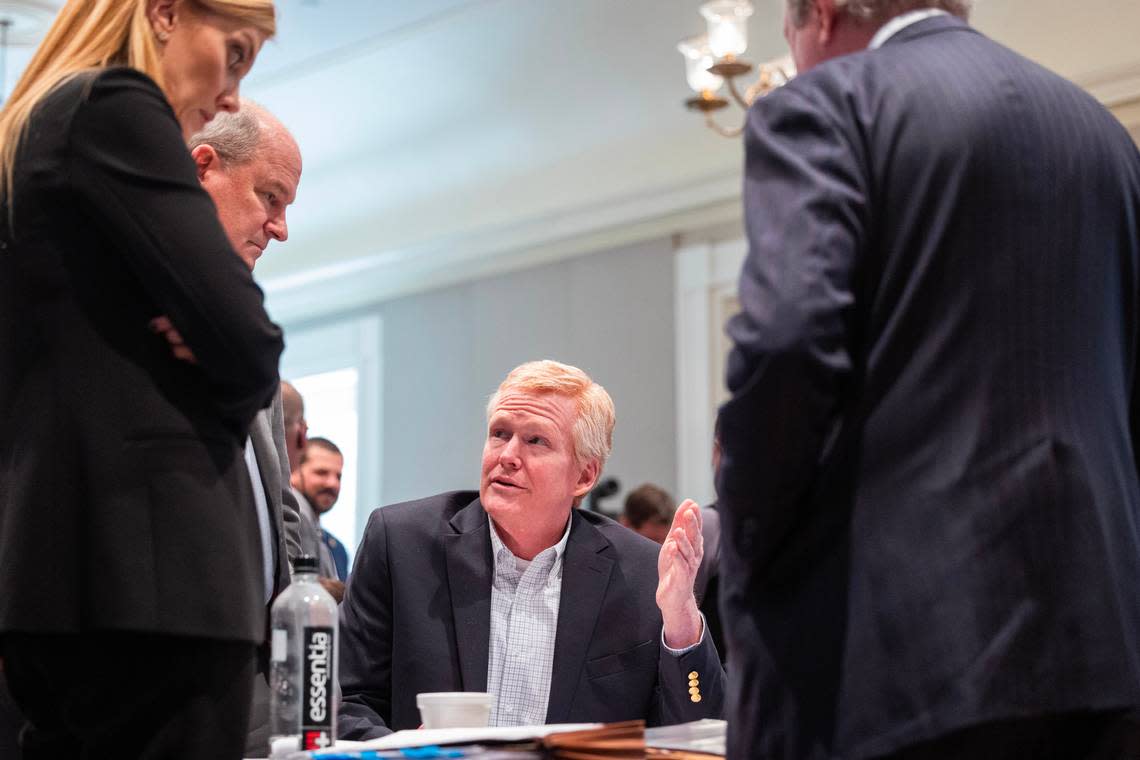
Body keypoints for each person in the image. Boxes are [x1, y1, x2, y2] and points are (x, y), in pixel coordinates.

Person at [716, 0, 1140, 758]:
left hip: (901, 659)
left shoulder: (829, 102)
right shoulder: (1106, 138)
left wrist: (748, 542)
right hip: (1104, 650)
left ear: (818, 15)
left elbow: (786, 342)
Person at [0, 1, 280, 758]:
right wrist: (212, 346)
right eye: (236, 52)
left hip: (60, 582)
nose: (230, 93)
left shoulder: (30, 129)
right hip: (159, 585)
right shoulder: (115, 105)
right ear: (163, 13)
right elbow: (250, 343)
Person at [339, 360, 724, 738]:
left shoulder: (639, 573)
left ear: (584, 475)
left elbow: (698, 730)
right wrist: (402, 752)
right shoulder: (401, 543)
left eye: (535, 440)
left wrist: (681, 625)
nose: (507, 455)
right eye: (500, 433)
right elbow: (343, 700)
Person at [182, 101, 306, 757]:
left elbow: (278, 508)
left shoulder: (242, 331)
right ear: (206, 170)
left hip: (258, 691)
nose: (281, 228)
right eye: (269, 197)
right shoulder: (114, 309)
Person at [292, 437, 351, 582]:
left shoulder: (337, 550)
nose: (333, 483)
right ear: (293, 470)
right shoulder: (287, 524)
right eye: (321, 472)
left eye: (338, 476)